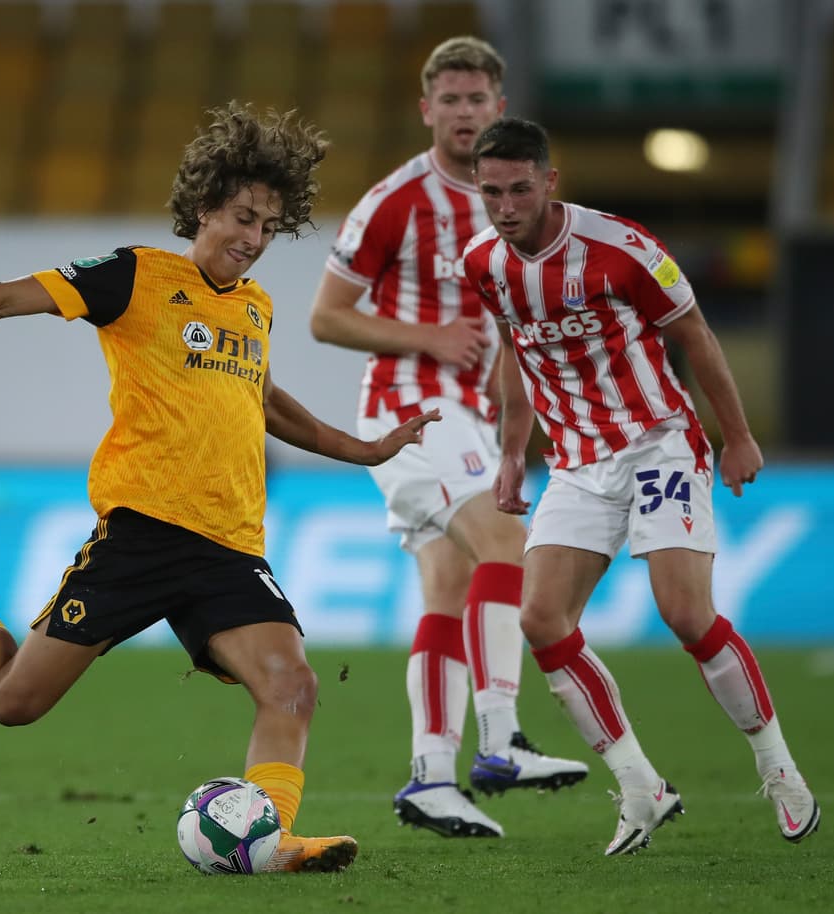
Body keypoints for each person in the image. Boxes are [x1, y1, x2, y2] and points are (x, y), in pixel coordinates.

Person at [0, 102, 440, 874]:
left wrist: (367, 448)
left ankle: (267, 838)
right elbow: (9, 297)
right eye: (243, 216)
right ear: (206, 206)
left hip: (229, 546)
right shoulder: (136, 277)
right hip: (141, 534)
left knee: (292, 685)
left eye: (269, 227)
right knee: (11, 702)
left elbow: (267, 403)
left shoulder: (255, 308)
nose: (253, 239)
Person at [461, 116, 821, 855]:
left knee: (685, 614)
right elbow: (513, 352)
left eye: (519, 188)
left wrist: (740, 436)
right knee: (541, 620)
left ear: (549, 181)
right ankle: (639, 785)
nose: (505, 205)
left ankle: (777, 766)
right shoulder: (483, 263)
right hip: (578, 462)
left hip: (659, 443)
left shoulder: (622, 249)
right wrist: (510, 454)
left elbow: (696, 337)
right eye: (491, 190)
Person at [308, 37, 587, 839]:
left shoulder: (514, 198)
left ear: (499, 107)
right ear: (426, 109)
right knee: (507, 539)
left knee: (448, 588)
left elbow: (517, 332)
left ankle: (431, 776)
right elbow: (326, 316)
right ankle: (500, 740)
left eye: (477, 101)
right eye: (450, 102)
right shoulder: (395, 199)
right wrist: (427, 338)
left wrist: (519, 433)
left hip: (470, 412)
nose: (464, 114)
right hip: (411, 405)